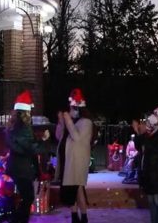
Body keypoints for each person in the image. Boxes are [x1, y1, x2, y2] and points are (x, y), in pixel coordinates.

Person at [5, 90, 50, 223]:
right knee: (28, 198)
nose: (30, 114)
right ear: (25, 112)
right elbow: (31, 148)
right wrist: (44, 140)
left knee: (24, 197)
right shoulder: (24, 127)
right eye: (29, 111)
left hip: (16, 167)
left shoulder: (14, 126)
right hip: (22, 169)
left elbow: (23, 144)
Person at [55, 88, 93, 223]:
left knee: (77, 188)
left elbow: (76, 137)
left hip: (77, 161)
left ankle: (83, 217)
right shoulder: (70, 120)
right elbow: (59, 136)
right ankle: (74, 215)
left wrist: (68, 120)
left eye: (72, 107)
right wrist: (61, 122)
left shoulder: (86, 122)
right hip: (67, 159)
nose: (70, 109)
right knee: (72, 189)